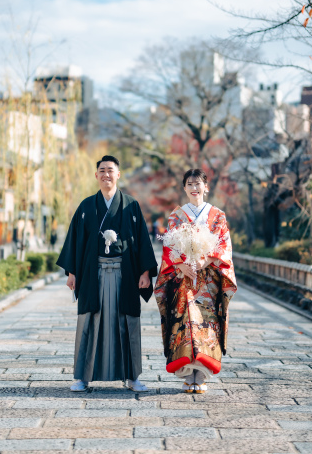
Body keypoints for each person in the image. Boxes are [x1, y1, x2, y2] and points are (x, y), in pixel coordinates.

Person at [57, 155, 158, 392]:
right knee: (89, 322)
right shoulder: (85, 207)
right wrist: (72, 272)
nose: (106, 174)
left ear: (118, 174)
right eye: (102, 170)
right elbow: (75, 241)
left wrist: (145, 272)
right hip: (95, 274)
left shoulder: (131, 205)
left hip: (126, 275)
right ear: (96, 175)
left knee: (127, 322)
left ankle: (132, 377)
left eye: (110, 170)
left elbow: (142, 239)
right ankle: (82, 377)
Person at [154, 168, 237, 394]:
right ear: (184, 188)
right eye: (189, 184)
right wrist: (180, 264)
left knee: (206, 326)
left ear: (206, 187)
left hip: (208, 278)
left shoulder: (217, 215)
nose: (194, 188)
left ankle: (201, 375)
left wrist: (206, 261)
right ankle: (187, 374)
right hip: (182, 278)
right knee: (185, 324)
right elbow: (169, 246)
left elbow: (223, 244)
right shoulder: (176, 216)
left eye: (197, 184)